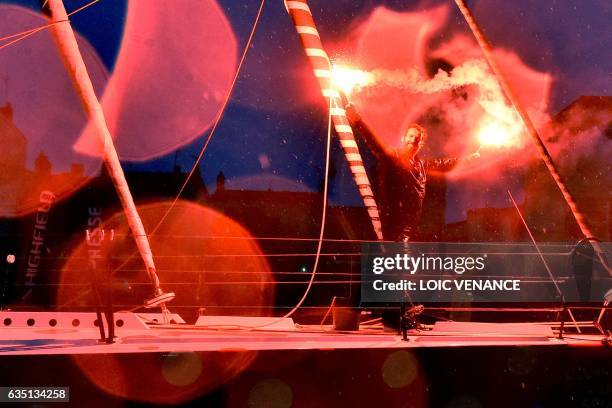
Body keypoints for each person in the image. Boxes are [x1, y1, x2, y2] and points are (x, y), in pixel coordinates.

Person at [343, 100, 479, 242]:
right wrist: (358, 121)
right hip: (390, 220)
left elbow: (444, 163)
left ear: (421, 143)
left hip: (410, 223)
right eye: (410, 136)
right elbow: (373, 142)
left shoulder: (421, 164)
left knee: (401, 258)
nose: (413, 140)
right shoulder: (392, 157)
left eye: (417, 138)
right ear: (404, 138)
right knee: (393, 255)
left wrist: (468, 159)